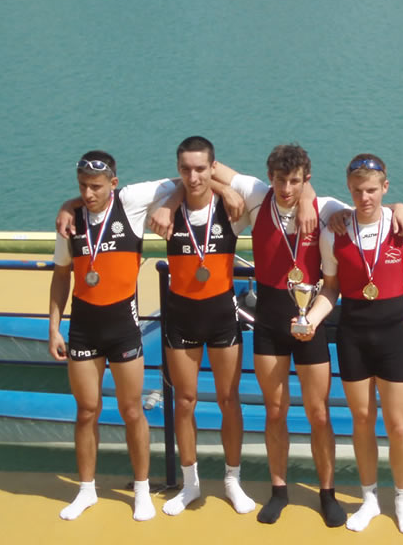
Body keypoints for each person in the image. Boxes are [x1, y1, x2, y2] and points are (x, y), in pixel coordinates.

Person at [208, 143, 348, 527]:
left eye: (295, 182)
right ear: (269, 177)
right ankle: (279, 490)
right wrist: (224, 191)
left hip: (309, 321)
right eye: (280, 180)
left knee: (319, 413)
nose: (287, 189)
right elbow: (208, 168)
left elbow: (370, 212)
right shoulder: (257, 194)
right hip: (268, 320)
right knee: (274, 411)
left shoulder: (326, 208)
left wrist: (400, 209)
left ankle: (327, 493)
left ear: (307, 179)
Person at [48, 151, 176, 521]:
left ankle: (142, 489)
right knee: (86, 410)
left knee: (132, 410)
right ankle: (86, 490)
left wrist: (168, 208)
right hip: (83, 328)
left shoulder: (131, 202)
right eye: (82, 187)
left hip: (123, 327)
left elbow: (183, 181)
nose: (88, 194)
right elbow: (61, 275)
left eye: (96, 187)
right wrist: (54, 328)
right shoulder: (70, 222)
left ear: (113, 184)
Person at [296, 153, 403, 534]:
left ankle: (402, 500)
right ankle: (369, 499)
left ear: (385, 188)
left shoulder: (401, 225)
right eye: (356, 191)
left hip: (393, 337)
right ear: (348, 190)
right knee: (362, 421)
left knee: (398, 425)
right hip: (353, 337)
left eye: (371, 190)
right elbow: (330, 288)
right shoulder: (334, 232)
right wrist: (310, 320)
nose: (364, 198)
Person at [159, 136, 254, 516]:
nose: (193, 176)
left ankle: (232, 480)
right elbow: (107, 199)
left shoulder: (233, 207)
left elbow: (277, 194)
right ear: (178, 169)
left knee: (229, 400)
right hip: (181, 317)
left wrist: (222, 187)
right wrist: (67, 206)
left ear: (213, 167)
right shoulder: (165, 207)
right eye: (186, 169)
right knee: (184, 402)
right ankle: (190, 484)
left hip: (221, 318)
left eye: (201, 169)